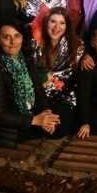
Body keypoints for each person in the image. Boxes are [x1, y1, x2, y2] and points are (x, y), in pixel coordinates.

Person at [0, 23, 61, 147]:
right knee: (57, 130)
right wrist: (35, 120)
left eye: (17, 36)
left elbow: (38, 89)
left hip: (27, 117)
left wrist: (45, 112)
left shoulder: (25, 58)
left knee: (59, 123)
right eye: (6, 37)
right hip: (4, 130)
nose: (13, 42)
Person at [30, 7, 84, 137]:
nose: (57, 27)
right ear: (46, 23)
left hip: (62, 96)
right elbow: (30, 71)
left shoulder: (76, 46)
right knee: (40, 127)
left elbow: (70, 76)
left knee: (59, 129)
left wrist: (86, 57)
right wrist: (44, 78)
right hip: (36, 95)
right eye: (53, 21)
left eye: (62, 23)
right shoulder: (34, 43)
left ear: (67, 26)